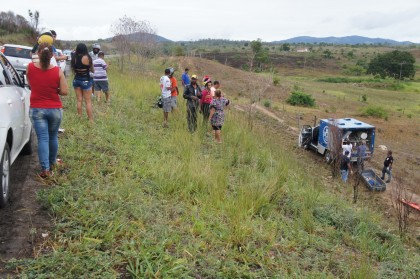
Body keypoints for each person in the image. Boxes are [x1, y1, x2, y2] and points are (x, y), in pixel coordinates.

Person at [26, 43, 68, 178]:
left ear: (38, 54)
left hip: (37, 109)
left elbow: (30, 83)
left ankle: (45, 169)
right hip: (54, 109)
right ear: (52, 56)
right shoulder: (57, 71)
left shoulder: (30, 68)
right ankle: (53, 162)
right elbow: (65, 91)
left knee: (43, 138)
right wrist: (55, 90)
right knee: (53, 136)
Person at [71, 43, 94, 123]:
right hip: (86, 80)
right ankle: (90, 120)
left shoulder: (74, 58)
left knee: (79, 100)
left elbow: (73, 69)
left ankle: (79, 117)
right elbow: (92, 70)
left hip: (76, 79)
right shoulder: (87, 57)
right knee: (88, 101)